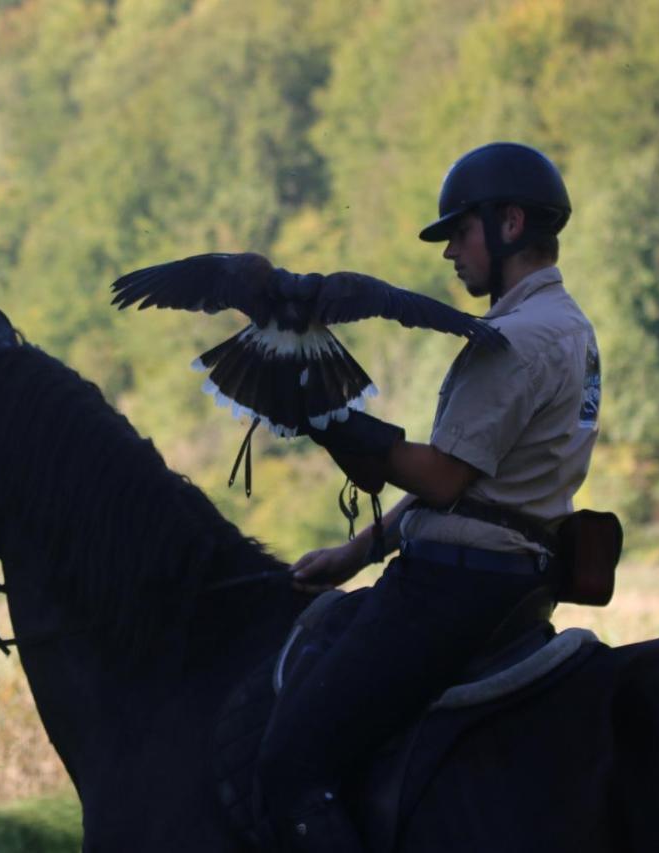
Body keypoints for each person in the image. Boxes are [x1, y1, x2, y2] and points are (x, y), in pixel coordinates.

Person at [257, 142, 602, 851]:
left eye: (459, 232)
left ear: (509, 223)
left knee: (289, 769)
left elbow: (442, 478)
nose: (450, 253)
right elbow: (473, 490)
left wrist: (334, 418)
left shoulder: (518, 337)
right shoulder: (568, 325)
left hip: (452, 591)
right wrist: (355, 553)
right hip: (512, 580)